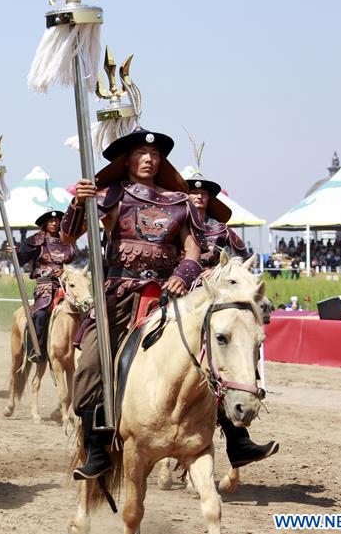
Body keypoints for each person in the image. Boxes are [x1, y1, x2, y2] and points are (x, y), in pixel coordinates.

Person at [62, 129, 208, 480]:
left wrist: (184, 275)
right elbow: (68, 236)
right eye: (141, 153)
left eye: (155, 154)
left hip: (164, 296)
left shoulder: (179, 201)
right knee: (91, 365)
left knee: (211, 352)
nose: (149, 159)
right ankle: (96, 448)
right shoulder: (110, 194)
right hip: (116, 296)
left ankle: (232, 435)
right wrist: (79, 202)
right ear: (126, 159)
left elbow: (194, 250)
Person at [186, 172, 279, 469]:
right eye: (193, 191)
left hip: (222, 301)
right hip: (185, 296)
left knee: (230, 358)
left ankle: (238, 442)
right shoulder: (175, 223)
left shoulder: (222, 231)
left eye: (204, 193)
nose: (199, 196)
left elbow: (244, 259)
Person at [15, 209, 77, 363]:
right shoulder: (37, 241)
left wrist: (63, 272)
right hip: (45, 287)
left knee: (82, 310)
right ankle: (35, 349)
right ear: (45, 223)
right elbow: (21, 259)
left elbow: (69, 260)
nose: (54, 223)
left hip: (64, 285)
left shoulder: (66, 241)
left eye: (56, 221)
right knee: (40, 315)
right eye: (50, 221)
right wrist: (14, 253)